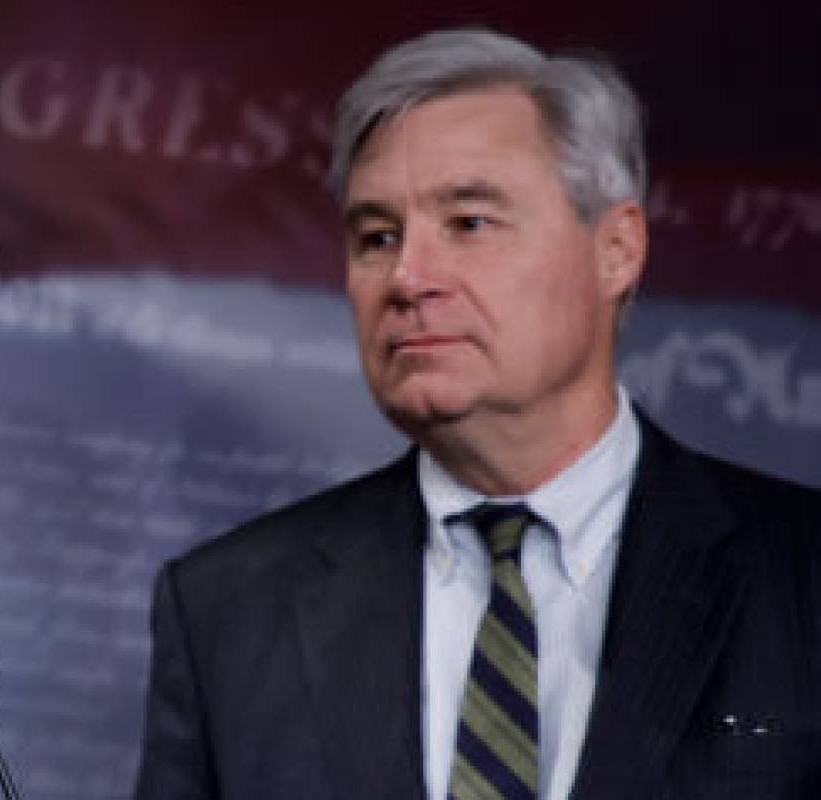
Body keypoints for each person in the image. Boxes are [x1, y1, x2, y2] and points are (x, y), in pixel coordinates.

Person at [134, 28, 821, 800]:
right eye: (376, 236)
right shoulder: (228, 610)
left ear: (617, 249)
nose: (408, 276)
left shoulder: (800, 577)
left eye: (468, 223)